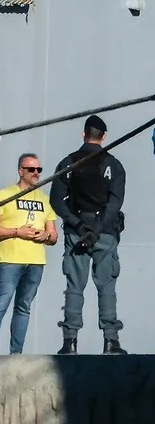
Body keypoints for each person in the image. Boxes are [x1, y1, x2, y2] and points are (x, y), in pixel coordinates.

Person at [52, 115, 127, 355]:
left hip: (77, 232)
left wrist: (79, 225)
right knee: (106, 286)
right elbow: (115, 202)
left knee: (75, 285)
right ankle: (110, 341)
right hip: (104, 233)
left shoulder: (68, 163)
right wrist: (96, 229)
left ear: (83, 133)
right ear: (104, 137)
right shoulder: (113, 165)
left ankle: (70, 341)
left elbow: (56, 200)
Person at [0, 153, 57, 354]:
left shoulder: (45, 199)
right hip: (10, 259)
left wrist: (44, 235)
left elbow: (54, 236)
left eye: (39, 169)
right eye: (31, 169)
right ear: (20, 171)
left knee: (23, 308)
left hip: (35, 262)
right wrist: (17, 231)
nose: (36, 173)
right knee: (0, 305)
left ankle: (16, 354)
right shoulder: (4, 194)